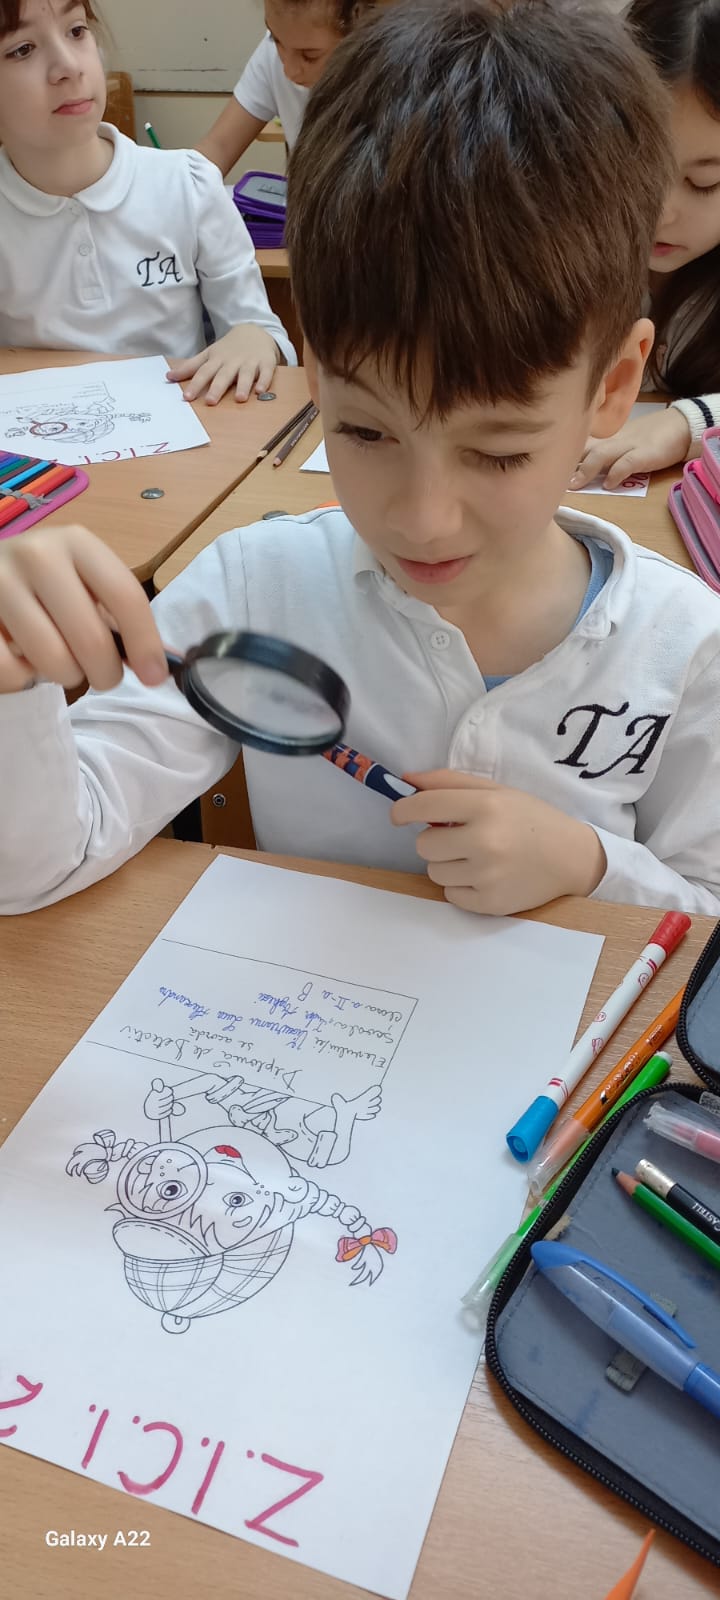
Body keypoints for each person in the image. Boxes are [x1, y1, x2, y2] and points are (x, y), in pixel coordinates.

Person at [3, 0, 720, 920]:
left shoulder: (687, 649)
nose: (421, 519)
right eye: (366, 433)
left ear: (615, 386)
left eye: (499, 453)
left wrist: (590, 865)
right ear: (313, 373)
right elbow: (37, 867)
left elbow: (706, 908)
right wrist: (12, 690)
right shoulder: (250, 592)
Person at [0, 0, 295, 403]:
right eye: (22, 49)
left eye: (76, 31)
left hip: (185, 428)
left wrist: (254, 337)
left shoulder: (188, 184)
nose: (68, 66)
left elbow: (264, 333)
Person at [572, 0, 720, 489]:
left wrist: (685, 425)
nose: (661, 211)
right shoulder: (567, 241)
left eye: (704, 183)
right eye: (641, 167)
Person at [196, 0, 378, 177]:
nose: (289, 71)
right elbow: (219, 146)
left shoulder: (387, 75)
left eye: (309, 56)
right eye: (275, 39)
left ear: (361, 30)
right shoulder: (276, 53)